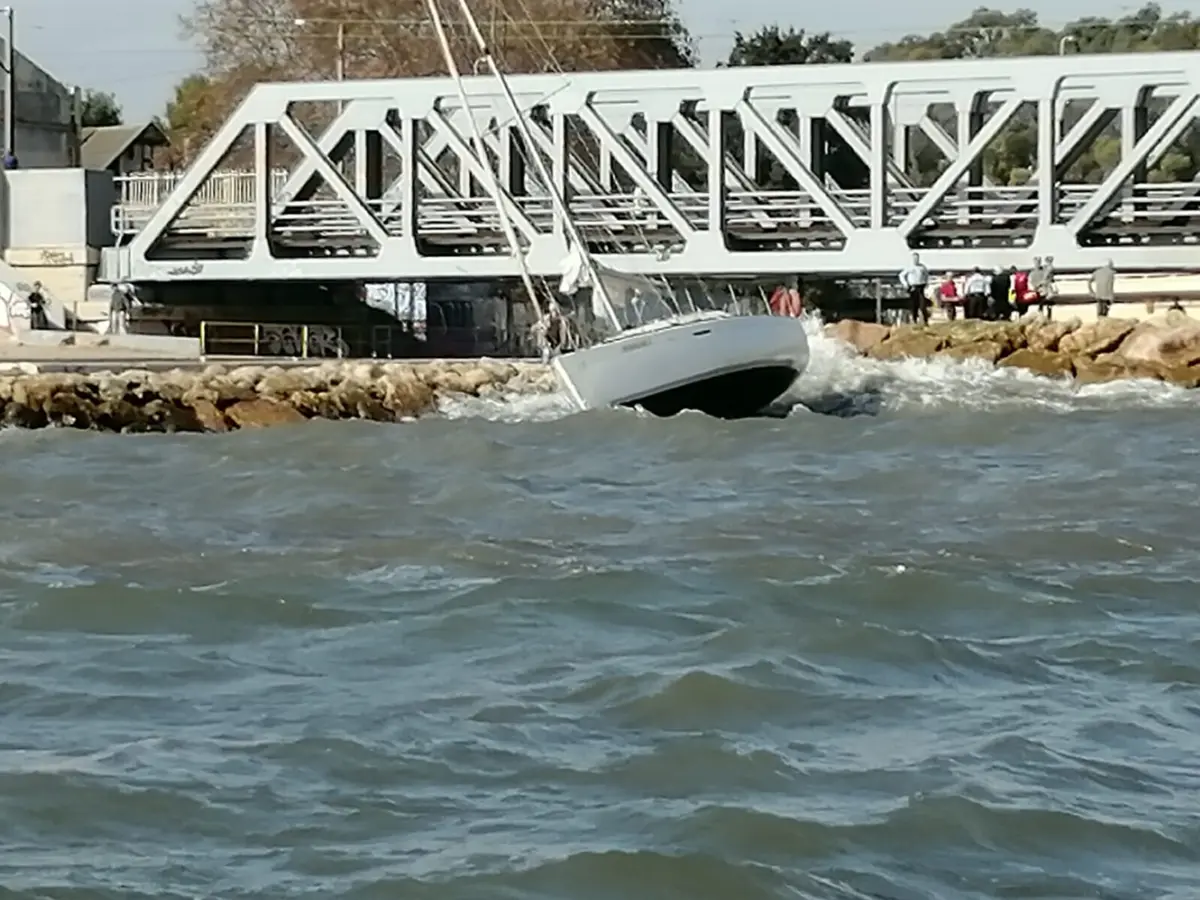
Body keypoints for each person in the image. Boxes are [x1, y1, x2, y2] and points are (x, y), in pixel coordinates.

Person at [898, 251, 930, 325]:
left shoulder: (922, 267)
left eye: (917, 258)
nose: (915, 260)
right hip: (913, 287)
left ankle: (925, 321)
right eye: (914, 258)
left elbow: (926, 275)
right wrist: (906, 284)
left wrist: (926, 282)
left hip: (921, 286)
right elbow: (901, 275)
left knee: (922, 304)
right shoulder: (909, 267)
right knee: (914, 304)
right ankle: (914, 320)